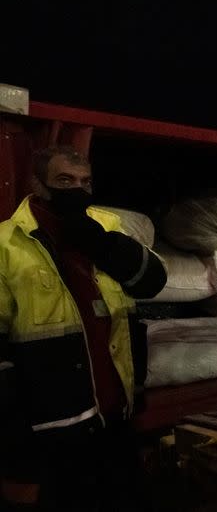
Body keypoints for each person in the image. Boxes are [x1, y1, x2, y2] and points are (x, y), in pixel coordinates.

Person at [0, 146, 167, 511]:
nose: (77, 189)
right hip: (52, 441)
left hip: (115, 425)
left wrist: (97, 240)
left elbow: (152, 281)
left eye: (85, 182)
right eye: (64, 181)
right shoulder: (6, 243)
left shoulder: (105, 226)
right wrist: (18, 463)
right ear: (36, 183)